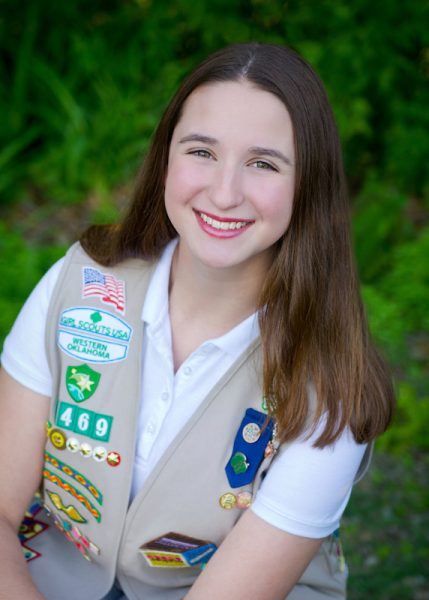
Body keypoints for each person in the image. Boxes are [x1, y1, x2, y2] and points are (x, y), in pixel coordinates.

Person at [0, 42, 394, 600]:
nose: (224, 192)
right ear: (166, 156)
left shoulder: (331, 384)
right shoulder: (81, 283)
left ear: (309, 184)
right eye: (201, 151)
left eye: (263, 163)